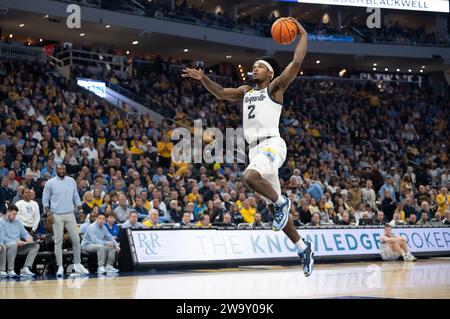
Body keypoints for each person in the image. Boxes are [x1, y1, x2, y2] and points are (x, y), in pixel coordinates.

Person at [182, 18, 314, 277]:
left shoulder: (275, 89)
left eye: (259, 67)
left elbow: (296, 62)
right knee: (274, 212)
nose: (254, 69)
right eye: (253, 67)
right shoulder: (245, 91)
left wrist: (303, 35)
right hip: (255, 150)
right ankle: (303, 247)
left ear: (270, 73)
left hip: (272, 145)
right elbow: (220, 93)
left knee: (250, 177)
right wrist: (203, 78)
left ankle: (282, 201)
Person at [42, 164, 89, 276]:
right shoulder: (50, 183)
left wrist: (81, 210)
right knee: (58, 241)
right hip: (56, 215)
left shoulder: (71, 180)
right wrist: (48, 213)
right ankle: (60, 267)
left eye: (63, 168)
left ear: (65, 170)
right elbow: (45, 199)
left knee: (76, 239)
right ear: (56, 170)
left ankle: (77, 264)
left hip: (70, 214)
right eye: (59, 168)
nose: (62, 170)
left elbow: (76, 195)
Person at [0, 204, 40, 277]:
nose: (15, 216)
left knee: (35, 245)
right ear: (8, 212)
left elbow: (25, 234)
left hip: (19, 246)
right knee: (13, 244)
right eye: (14, 214)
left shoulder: (17, 222)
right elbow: (2, 238)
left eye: (16, 214)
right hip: (8, 245)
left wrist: (29, 238)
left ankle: (26, 268)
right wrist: (16, 242)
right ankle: (10, 270)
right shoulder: (1, 222)